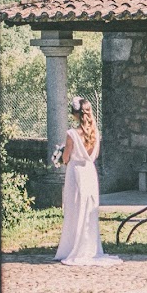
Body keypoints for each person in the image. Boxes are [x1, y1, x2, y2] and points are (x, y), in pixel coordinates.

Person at [54, 97, 122, 266]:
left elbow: (66, 158)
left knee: (74, 209)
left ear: (75, 114)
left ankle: (73, 248)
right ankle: (89, 247)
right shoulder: (95, 133)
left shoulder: (72, 134)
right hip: (90, 173)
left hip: (76, 173)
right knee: (88, 211)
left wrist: (60, 154)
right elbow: (95, 155)